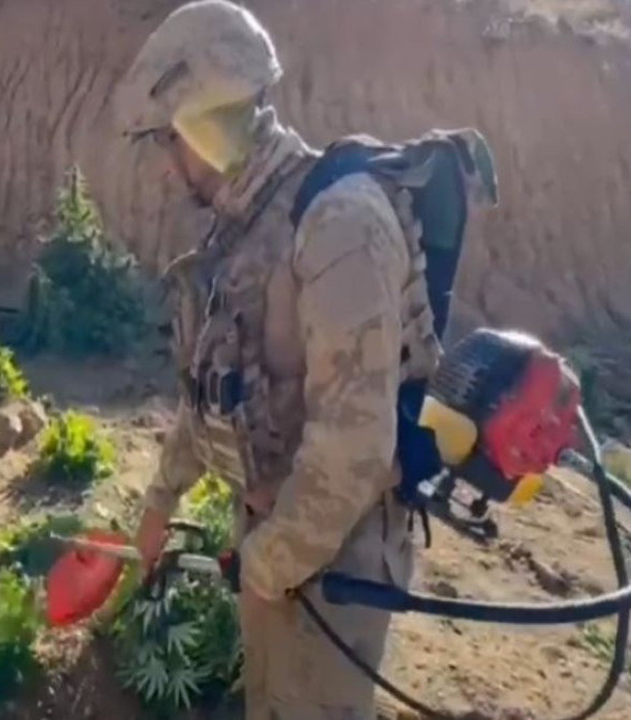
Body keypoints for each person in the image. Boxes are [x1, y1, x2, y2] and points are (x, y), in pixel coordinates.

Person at [110, 2, 499, 718]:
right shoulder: (244, 227)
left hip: (337, 557)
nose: (167, 168)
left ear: (207, 121)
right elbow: (212, 390)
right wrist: (162, 501)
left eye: (171, 140)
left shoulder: (339, 223)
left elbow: (354, 445)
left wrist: (267, 563)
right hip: (283, 540)